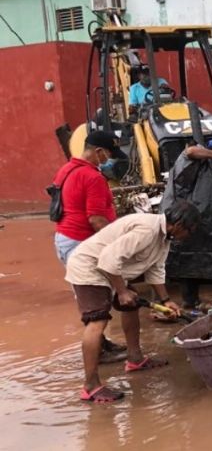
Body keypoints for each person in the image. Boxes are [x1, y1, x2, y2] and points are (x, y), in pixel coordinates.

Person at [65, 199, 200, 403]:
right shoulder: (147, 230)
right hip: (89, 268)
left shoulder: (165, 237)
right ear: (179, 225)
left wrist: (166, 301)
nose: (188, 237)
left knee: (131, 305)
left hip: (111, 271)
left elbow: (156, 270)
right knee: (97, 321)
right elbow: (108, 259)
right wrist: (122, 291)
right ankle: (90, 386)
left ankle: (135, 359)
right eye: (189, 231)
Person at [51, 130, 128, 363]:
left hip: (65, 239)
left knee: (88, 298)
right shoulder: (92, 177)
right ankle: (98, 353)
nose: (109, 159)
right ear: (98, 151)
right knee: (97, 302)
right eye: (107, 154)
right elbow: (96, 219)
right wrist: (116, 242)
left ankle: (102, 344)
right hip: (81, 242)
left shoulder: (67, 169)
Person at [161, 139, 212, 310]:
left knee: (193, 260)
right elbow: (191, 151)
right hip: (178, 217)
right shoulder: (190, 158)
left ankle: (192, 301)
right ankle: (169, 301)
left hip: (195, 219)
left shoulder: (209, 170)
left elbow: (209, 197)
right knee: (181, 260)